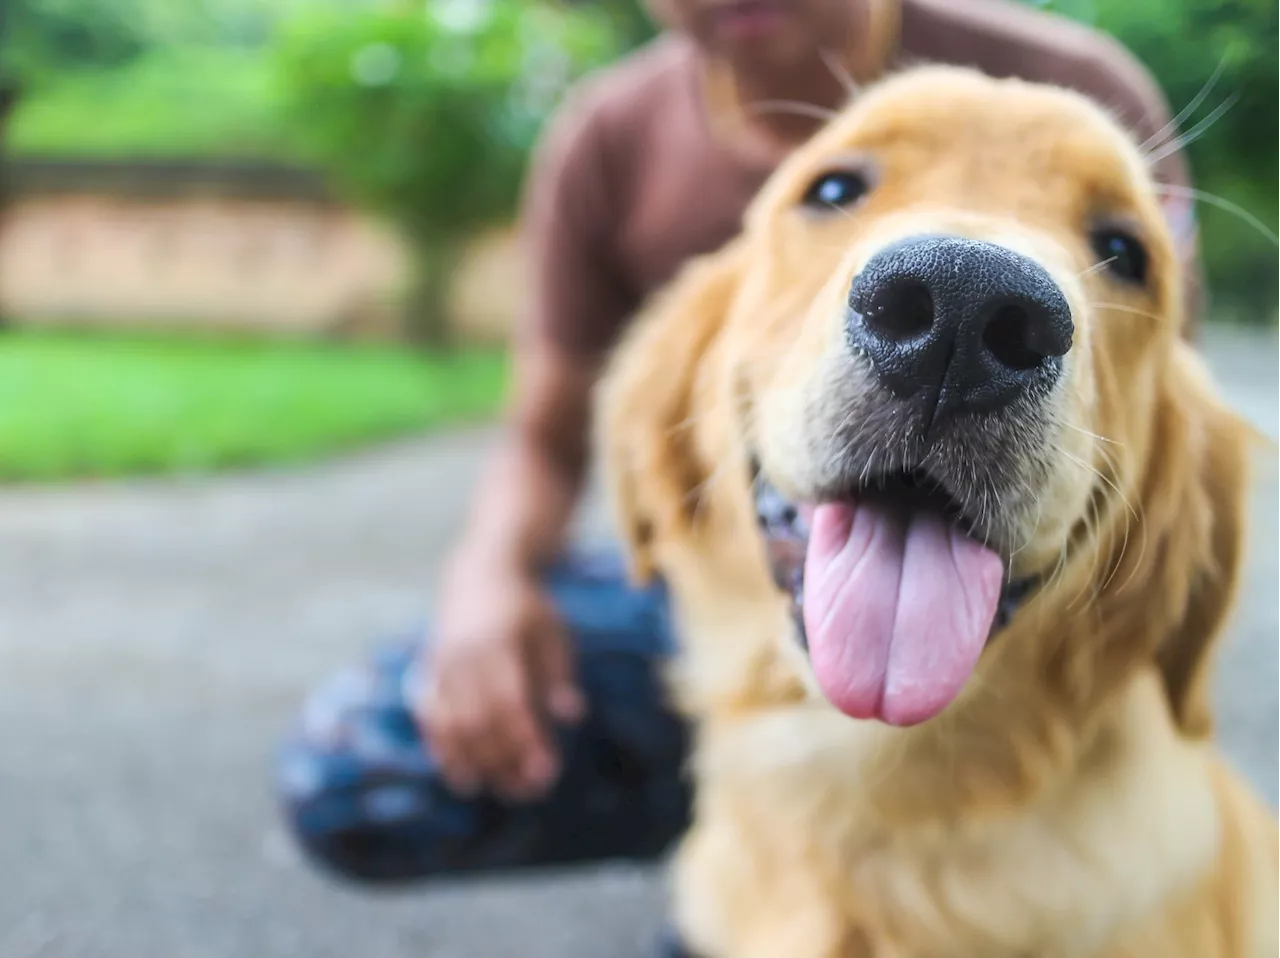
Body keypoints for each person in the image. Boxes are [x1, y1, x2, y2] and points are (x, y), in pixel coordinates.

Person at [277, 0, 1204, 888]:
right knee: (364, 774)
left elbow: (1165, 416)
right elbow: (544, 432)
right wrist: (486, 583)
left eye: (1115, 249)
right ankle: (753, 859)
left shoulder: (1082, 83)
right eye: (835, 192)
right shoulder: (608, 134)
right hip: (711, 589)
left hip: (1039, 630)